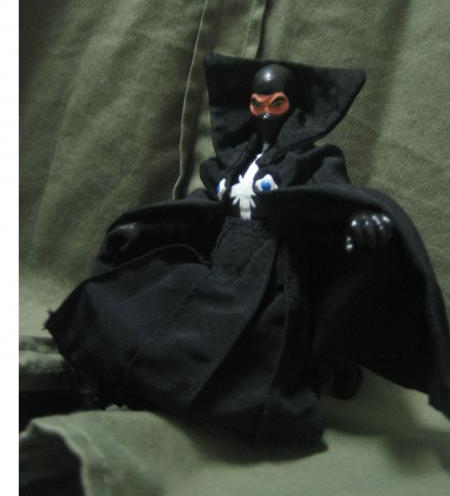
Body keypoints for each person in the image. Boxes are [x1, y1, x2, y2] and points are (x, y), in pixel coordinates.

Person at [46, 53, 450, 444]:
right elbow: (203, 207)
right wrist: (148, 226)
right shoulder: (233, 162)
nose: (266, 114)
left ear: (294, 107)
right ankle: (110, 374)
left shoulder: (313, 163)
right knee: (138, 299)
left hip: (269, 278)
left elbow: (332, 207)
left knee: (241, 357)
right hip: (218, 262)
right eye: (257, 104)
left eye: (277, 104)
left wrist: (358, 227)